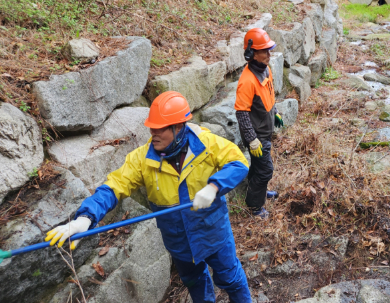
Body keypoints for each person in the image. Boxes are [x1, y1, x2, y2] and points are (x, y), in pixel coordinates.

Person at [44, 91, 252, 303]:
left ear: (179, 127)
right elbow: (114, 186)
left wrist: (214, 187)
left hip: (214, 234)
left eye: (160, 127)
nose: (153, 133)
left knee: (231, 278)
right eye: (152, 127)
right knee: (195, 283)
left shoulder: (207, 145)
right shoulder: (142, 159)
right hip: (179, 243)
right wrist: (85, 218)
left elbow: (238, 162)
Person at [234, 28, 283, 220]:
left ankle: (259, 192)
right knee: (265, 170)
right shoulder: (247, 81)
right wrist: (252, 139)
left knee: (258, 166)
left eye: (269, 50)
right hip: (256, 135)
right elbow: (242, 113)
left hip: (265, 129)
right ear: (252, 53)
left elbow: (269, 95)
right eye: (265, 51)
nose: (269, 54)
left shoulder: (265, 70)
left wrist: (275, 112)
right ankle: (255, 207)